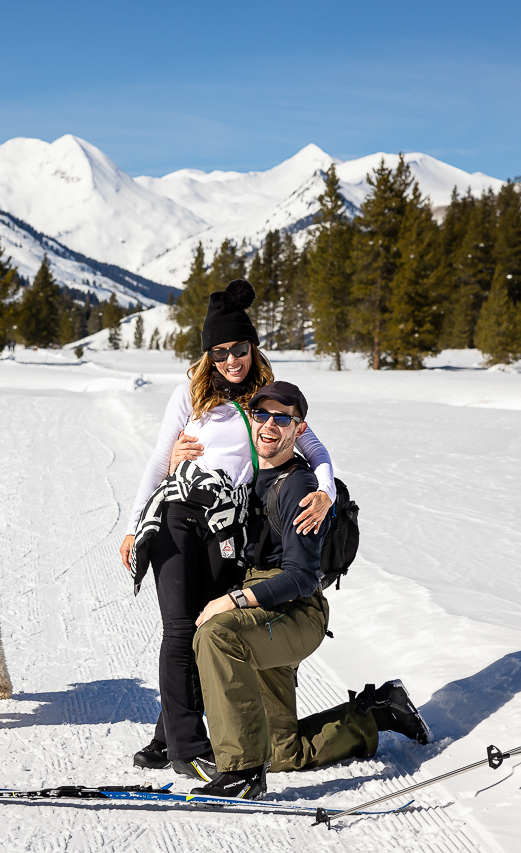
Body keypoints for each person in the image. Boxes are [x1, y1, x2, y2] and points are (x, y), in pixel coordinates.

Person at [119, 280, 338, 778]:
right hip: (178, 518)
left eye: (239, 348)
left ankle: (164, 736)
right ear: (207, 355)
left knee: (204, 628)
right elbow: (159, 459)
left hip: (227, 530)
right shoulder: (189, 393)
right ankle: (187, 746)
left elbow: (317, 449)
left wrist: (324, 491)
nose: (231, 360)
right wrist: (134, 526)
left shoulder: (267, 399)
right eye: (219, 352)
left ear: (251, 346)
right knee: (179, 630)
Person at [185, 381, 429, 799]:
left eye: (283, 418)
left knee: (217, 636)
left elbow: (301, 576)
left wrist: (233, 600)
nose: (270, 425)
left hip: (295, 610)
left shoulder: (298, 487)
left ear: (299, 429)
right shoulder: (248, 473)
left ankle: (242, 770)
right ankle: (378, 713)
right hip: (266, 609)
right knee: (281, 750)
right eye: (262, 415)